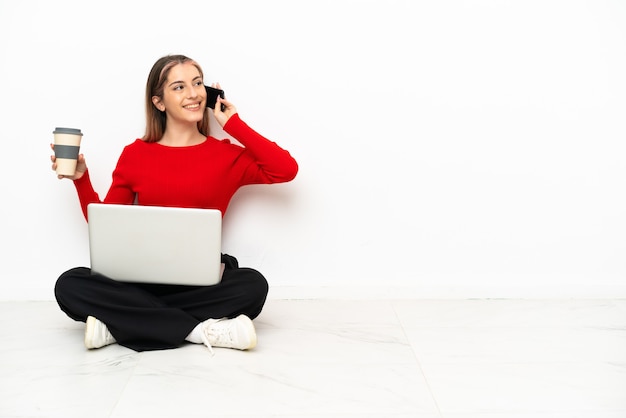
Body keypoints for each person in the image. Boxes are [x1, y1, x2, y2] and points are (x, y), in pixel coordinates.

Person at [50, 54, 298, 354]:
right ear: (159, 102)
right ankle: (200, 330)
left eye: (197, 83)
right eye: (179, 87)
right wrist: (81, 179)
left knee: (252, 285)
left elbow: (285, 169)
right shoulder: (135, 154)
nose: (193, 94)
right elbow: (105, 226)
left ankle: (119, 325)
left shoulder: (226, 155)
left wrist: (234, 125)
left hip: (202, 280)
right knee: (69, 284)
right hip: (143, 277)